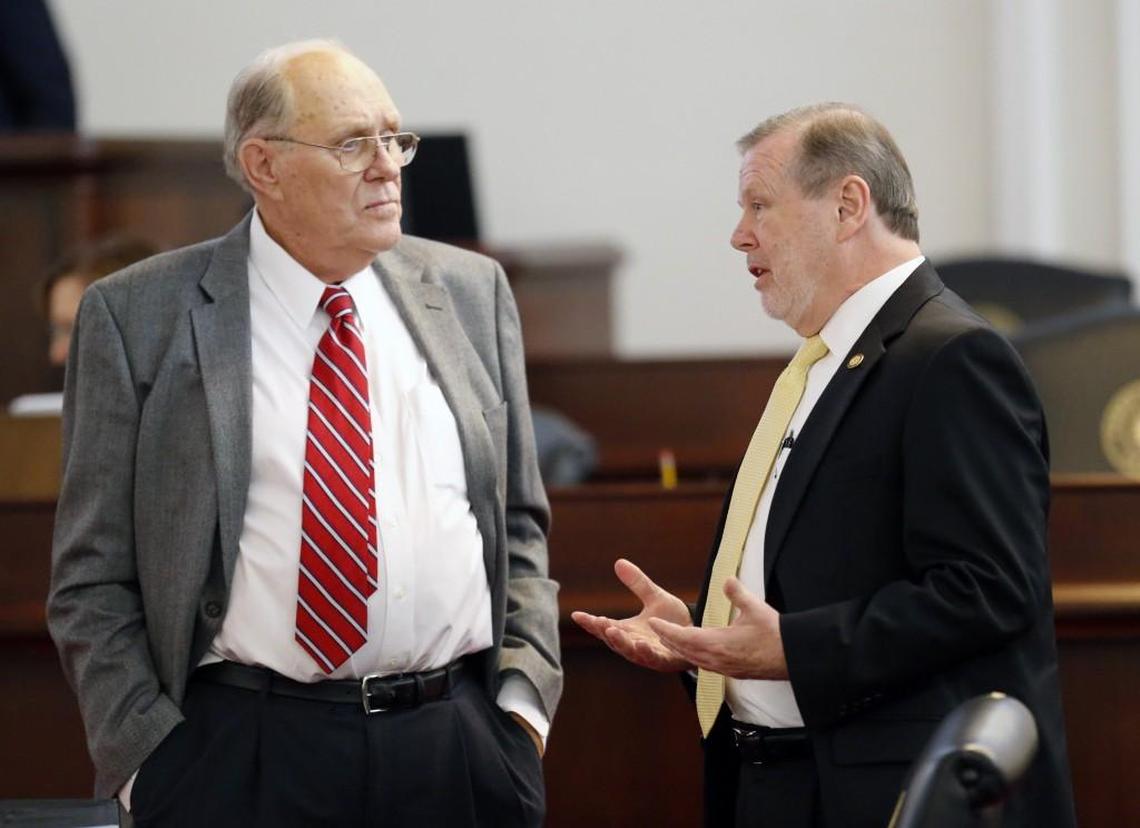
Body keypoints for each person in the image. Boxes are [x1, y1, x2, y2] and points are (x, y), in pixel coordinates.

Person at [48, 39, 560, 827]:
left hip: (456, 746)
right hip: (241, 754)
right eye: (353, 144)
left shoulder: (471, 291)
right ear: (265, 165)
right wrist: (148, 764)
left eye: (394, 138)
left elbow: (518, 523)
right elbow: (91, 575)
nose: (387, 167)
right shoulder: (137, 316)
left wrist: (522, 712)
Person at [572, 103, 1075, 827]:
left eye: (759, 205)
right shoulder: (824, 361)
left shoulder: (952, 357)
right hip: (776, 783)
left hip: (891, 797)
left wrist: (794, 649)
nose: (739, 234)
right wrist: (706, 639)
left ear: (847, 206)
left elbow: (990, 590)